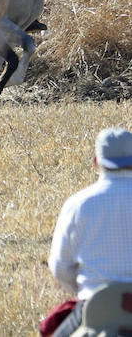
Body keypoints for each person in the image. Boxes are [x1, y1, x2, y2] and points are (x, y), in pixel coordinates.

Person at [43, 127, 132, 337]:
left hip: (94, 309)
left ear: (96, 162)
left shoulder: (78, 204)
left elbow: (60, 266)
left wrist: (84, 292)